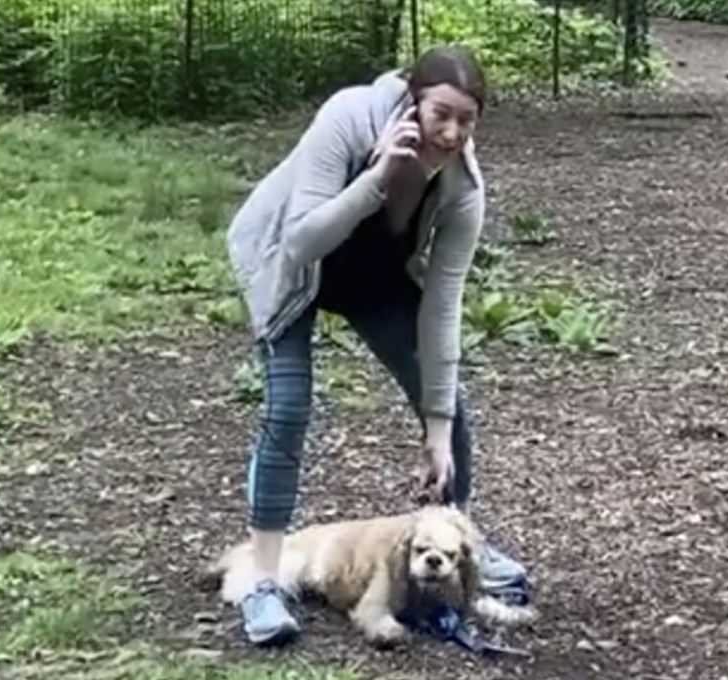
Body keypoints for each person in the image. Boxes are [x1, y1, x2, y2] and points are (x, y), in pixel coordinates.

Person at [225, 45, 526, 647]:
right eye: (440, 114)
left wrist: (436, 429)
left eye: (467, 120)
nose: (452, 132)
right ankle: (262, 583)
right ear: (413, 103)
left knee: (448, 408)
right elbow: (301, 241)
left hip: (371, 278)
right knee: (288, 408)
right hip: (290, 267)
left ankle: (458, 546)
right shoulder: (349, 117)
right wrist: (377, 179)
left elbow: (442, 308)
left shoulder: (463, 188)